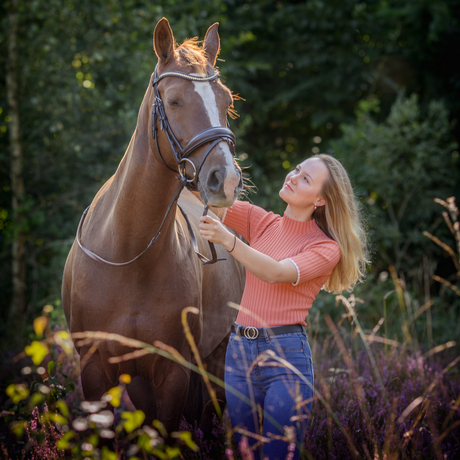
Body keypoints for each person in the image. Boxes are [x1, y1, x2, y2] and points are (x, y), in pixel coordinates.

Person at [199, 154, 369, 460]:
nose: (292, 176)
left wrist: (229, 240)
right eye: (297, 169)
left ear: (320, 200)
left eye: (305, 179)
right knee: (245, 453)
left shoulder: (326, 248)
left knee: (278, 455)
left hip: (286, 359)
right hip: (239, 352)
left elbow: (276, 272)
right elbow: (209, 197)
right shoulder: (261, 221)